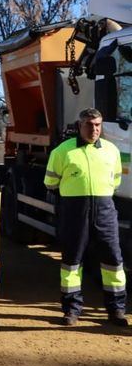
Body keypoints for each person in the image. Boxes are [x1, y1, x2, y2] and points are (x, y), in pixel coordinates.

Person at [44, 108, 128, 327]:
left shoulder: (111, 151)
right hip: (74, 211)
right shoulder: (63, 151)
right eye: (90, 125)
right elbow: (50, 183)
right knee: (72, 262)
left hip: (105, 210)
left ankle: (116, 310)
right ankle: (71, 310)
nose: (94, 129)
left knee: (113, 261)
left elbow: (115, 181)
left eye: (98, 125)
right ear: (79, 126)